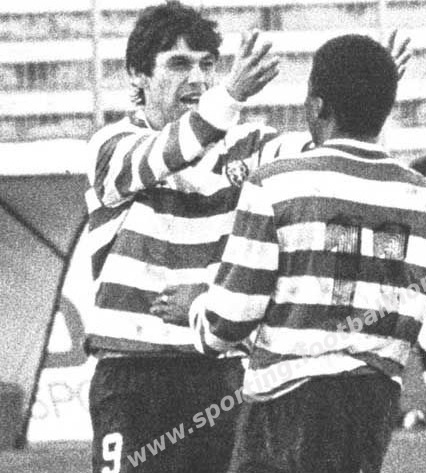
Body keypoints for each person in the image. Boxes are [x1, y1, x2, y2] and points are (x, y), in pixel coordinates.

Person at [155, 34, 426, 472]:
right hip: (371, 409)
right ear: (387, 107)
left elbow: (228, 323)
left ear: (316, 106)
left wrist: (195, 308)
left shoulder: (274, 185)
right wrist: (412, 331)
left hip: (281, 410)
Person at [84, 2, 281, 472]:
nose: (197, 79)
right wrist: (230, 96)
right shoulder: (111, 145)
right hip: (131, 375)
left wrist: (360, 103)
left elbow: (318, 162)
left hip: (218, 375)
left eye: (207, 65)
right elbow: (169, 152)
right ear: (138, 75)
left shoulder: (247, 146)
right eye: (178, 64)